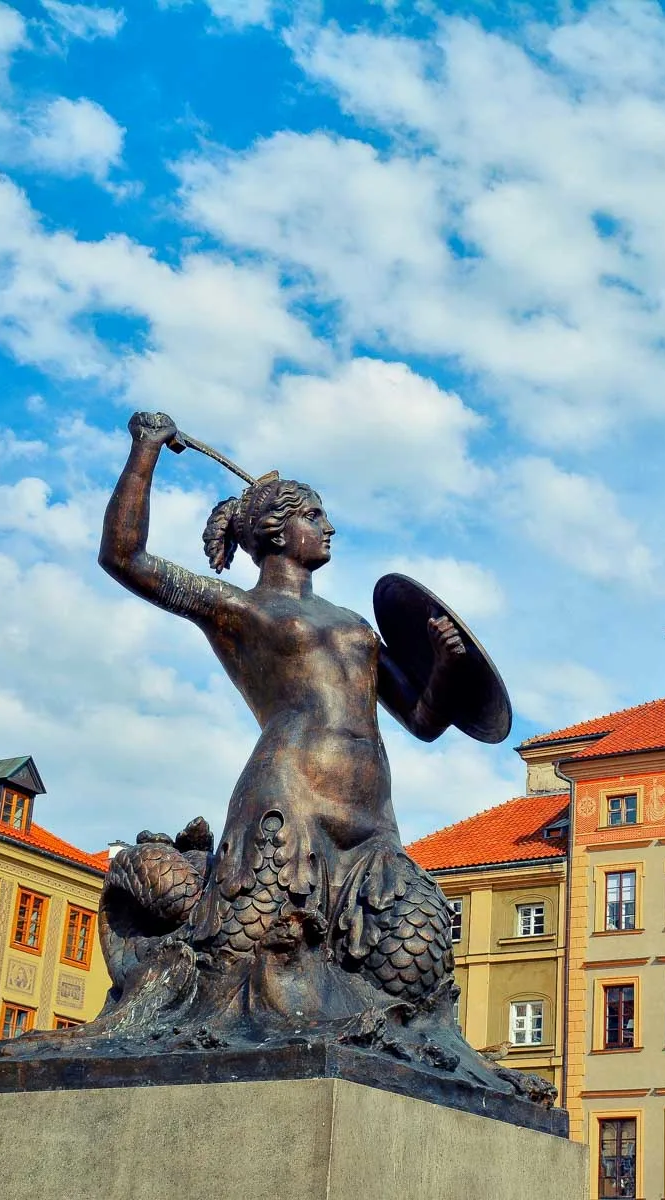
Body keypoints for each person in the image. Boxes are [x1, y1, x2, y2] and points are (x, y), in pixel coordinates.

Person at [98, 410, 465, 998]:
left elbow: (422, 721)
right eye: (314, 515)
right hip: (289, 799)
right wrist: (144, 451)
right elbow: (124, 557)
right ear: (275, 530)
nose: (329, 528)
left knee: (416, 961)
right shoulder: (239, 610)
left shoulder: (355, 625)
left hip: (371, 813)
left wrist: (446, 666)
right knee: (254, 964)